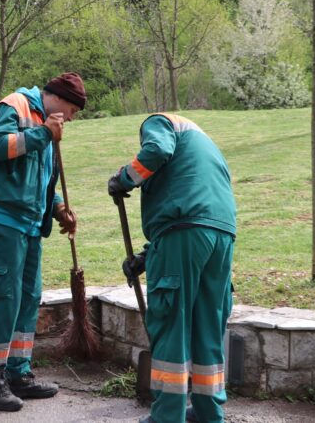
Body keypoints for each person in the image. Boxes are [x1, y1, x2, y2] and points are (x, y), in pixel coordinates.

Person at [107, 113, 237, 423]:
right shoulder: (202, 142)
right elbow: (193, 206)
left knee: (172, 322)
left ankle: (167, 415)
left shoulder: (159, 123)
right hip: (221, 234)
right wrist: (149, 257)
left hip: (184, 232)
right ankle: (209, 413)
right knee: (209, 324)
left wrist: (124, 178)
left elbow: (156, 151)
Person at [0, 72, 85, 412]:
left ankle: (18, 373)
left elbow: (38, 182)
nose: (74, 118)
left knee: (28, 298)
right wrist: (42, 134)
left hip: (30, 223)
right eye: (75, 110)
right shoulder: (14, 105)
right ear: (63, 100)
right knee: (3, 297)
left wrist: (58, 208)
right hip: (1, 218)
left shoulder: (46, 128)